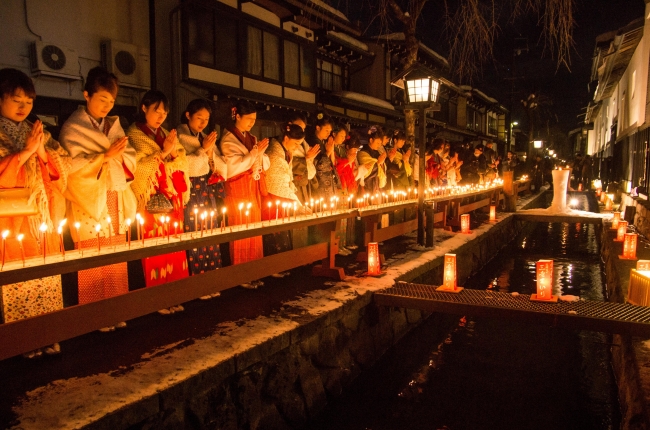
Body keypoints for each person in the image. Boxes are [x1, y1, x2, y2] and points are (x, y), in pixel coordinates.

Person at [60, 67, 137, 329]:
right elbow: (70, 167)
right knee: (92, 253)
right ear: (86, 95)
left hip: (113, 195)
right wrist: (104, 157)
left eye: (111, 101)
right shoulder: (73, 128)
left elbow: (131, 157)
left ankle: (117, 308)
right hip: (90, 199)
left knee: (114, 249)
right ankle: (95, 316)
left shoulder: (113, 126)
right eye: (102, 99)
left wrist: (117, 156)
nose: (107, 106)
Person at [0, 68, 69, 356]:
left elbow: (61, 168)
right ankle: (25, 340)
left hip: (42, 215)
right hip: (14, 218)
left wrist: (41, 153)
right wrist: (25, 153)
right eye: (16, 100)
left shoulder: (38, 131)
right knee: (20, 278)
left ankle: (49, 332)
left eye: (28, 101)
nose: (23, 107)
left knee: (46, 276)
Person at [128, 90, 190, 313]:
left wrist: (172, 155)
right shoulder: (134, 134)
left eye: (164, 112)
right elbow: (137, 166)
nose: (161, 116)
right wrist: (163, 154)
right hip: (150, 198)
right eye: (156, 111)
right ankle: (157, 298)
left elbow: (182, 160)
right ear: (144, 108)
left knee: (173, 245)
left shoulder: (166, 133)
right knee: (154, 246)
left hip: (171, 198)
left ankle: (175, 294)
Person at [177, 99, 226, 299]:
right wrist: (203, 151)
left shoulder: (206, 137)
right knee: (194, 231)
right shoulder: (179, 137)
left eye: (206, 119)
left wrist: (209, 155)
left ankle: (212, 279)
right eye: (199, 118)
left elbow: (216, 164)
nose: (203, 123)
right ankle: (197, 283)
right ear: (188, 115)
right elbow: (183, 165)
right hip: (191, 191)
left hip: (206, 190)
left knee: (210, 232)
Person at [220, 100, 269, 285]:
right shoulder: (228, 139)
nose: (251, 123)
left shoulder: (252, 138)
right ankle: (241, 275)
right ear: (237, 116)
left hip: (251, 188)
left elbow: (264, 161)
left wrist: (257, 154)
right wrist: (255, 154)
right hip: (237, 188)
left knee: (254, 229)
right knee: (239, 228)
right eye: (248, 119)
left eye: (254, 120)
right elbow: (233, 168)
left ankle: (254, 271)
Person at [263, 123, 310, 256]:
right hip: (273, 199)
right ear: (286, 138)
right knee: (275, 232)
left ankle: (282, 263)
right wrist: (298, 205)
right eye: (296, 143)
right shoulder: (275, 155)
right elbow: (280, 185)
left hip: (281, 198)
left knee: (281, 231)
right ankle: (274, 266)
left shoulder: (284, 151)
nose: (297, 147)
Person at [308, 113, 341, 202]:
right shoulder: (313, 142)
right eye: (326, 130)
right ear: (318, 128)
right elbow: (319, 166)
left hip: (327, 184)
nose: (328, 133)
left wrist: (330, 152)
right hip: (320, 185)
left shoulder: (322, 142)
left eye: (330, 131)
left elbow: (331, 163)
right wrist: (328, 152)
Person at [288, 112, 318, 204]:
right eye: (299, 126)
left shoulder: (304, 144)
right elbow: (288, 163)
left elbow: (310, 169)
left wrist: (310, 159)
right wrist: (306, 159)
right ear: (290, 125)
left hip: (304, 183)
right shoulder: (286, 142)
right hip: (293, 184)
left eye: (303, 129)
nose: (301, 130)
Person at [357, 126, 387, 194]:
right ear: (371, 140)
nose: (379, 145)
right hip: (367, 187)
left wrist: (381, 164)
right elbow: (365, 173)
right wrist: (378, 163)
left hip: (377, 186)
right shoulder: (363, 153)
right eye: (377, 143)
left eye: (380, 143)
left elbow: (382, 169)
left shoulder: (377, 153)